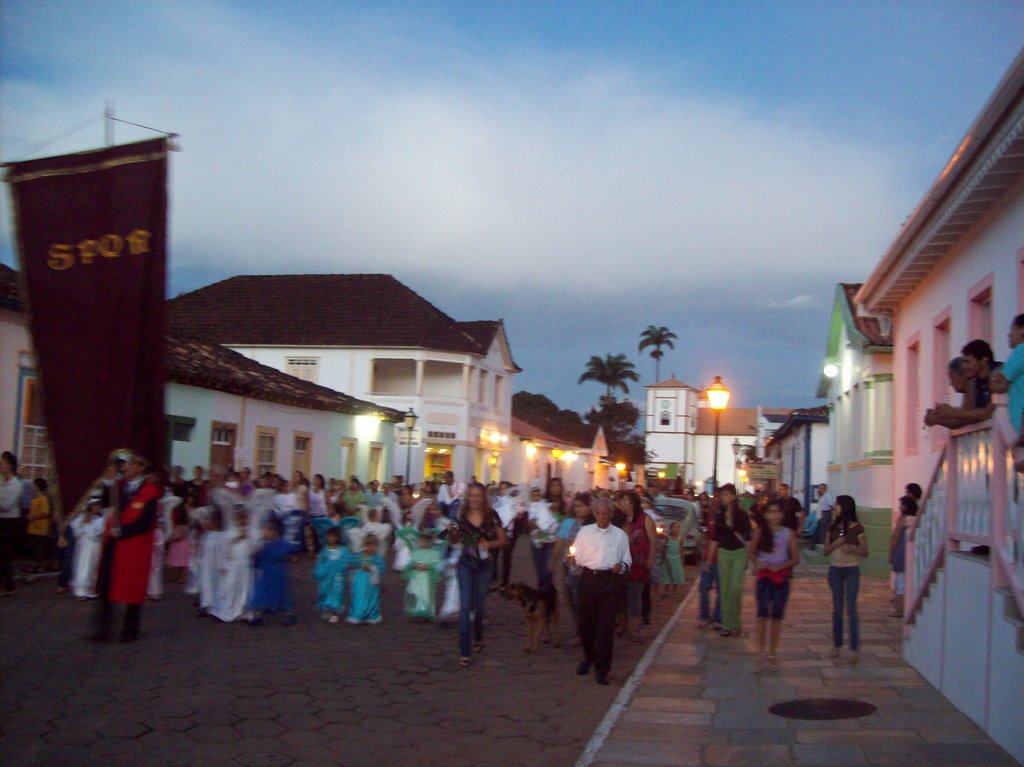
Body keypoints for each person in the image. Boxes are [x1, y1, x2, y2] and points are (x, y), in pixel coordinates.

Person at [92, 451, 163, 642]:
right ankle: (103, 627)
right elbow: (106, 503)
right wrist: (106, 484)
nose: (126, 467)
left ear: (140, 468)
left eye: (131, 464)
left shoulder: (150, 492)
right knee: (106, 584)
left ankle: (130, 629)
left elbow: (145, 522)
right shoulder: (119, 486)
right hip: (114, 544)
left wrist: (122, 531)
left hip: (135, 546)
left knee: (133, 586)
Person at [574, 496, 631, 686]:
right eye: (598, 513)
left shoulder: (620, 536)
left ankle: (603, 669)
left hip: (609, 581)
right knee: (585, 625)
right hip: (589, 579)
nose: (602, 517)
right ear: (594, 513)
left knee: (606, 628)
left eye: (606, 513)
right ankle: (589, 657)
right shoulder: (585, 532)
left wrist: (621, 566)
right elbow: (578, 557)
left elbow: (627, 560)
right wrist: (574, 562)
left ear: (611, 514)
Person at [449, 482, 507, 667]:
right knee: (465, 606)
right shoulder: (460, 514)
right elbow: (450, 538)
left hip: (485, 564)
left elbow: (503, 540)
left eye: (478, 496)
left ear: (483, 497)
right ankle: (464, 652)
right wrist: (451, 533)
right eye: (471, 495)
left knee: (479, 606)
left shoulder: (492, 516)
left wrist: (489, 544)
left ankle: (478, 635)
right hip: (466, 562)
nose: (474, 499)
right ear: (467, 497)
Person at [750, 499, 800, 671]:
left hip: (780, 578)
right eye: (771, 511)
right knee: (761, 615)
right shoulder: (760, 532)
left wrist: (781, 566)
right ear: (765, 514)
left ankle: (772, 653)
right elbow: (752, 551)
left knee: (777, 617)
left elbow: (795, 558)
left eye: (777, 511)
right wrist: (757, 564)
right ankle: (759, 653)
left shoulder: (788, 533)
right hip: (764, 578)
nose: (774, 515)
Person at [825, 494, 869, 661]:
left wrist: (852, 549)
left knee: (851, 608)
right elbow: (825, 551)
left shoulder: (857, 528)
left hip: (851, 569)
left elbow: (865, 552)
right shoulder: (832, 526)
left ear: (845, 506)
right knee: (837, 609)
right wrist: (837, 543)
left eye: (837, 504)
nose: (834, 507)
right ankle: (837, 644)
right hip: (835, 570)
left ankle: (854, 648)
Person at [705, 484, 751, 638]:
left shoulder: (742, 515)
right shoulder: (720, 514)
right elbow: (715, 538)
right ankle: (727, 624)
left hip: (738, 553)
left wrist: (748, 558)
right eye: (721, 494)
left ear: (732, 496)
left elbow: (747, 537)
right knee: (724, 589)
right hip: (723, 553)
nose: (722, 497)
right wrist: (709, 560)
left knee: (735, 589)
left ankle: (736, 622)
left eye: (725, 494)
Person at [249, 518, 299, 626]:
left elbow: (291, 555)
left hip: (278, 574)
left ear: (274, 531)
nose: (264, 533)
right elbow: (258, 560)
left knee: (281, 594)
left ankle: (289, 614)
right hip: (266, 574)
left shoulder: (282, 545)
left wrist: (289, 557)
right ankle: (258, 614)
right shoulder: (264, 546)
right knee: (261, 593)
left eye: (267, 530)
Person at [621, 493, 656, 642]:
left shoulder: (645, 519)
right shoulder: (621, 520)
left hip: (638, 562)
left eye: (625, 501)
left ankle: (635, 625)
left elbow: (653, 541)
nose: (622, 504)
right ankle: (625, 623)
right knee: (623, 595)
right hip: (623, 562)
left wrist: (650, 559)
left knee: (635, 594)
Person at [888, 495, 917, 619]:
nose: (899, 506)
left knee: (900, 582)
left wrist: (890, 551)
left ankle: (899, 608)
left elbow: (895, 536)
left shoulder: (903, 519)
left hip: (901, 550)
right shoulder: (917, 518)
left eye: (901, 504)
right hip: (912, 552)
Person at [402, 531, 443, 621]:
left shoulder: (433, 553)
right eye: (421, 541)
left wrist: (428, 567)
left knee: (426, 595)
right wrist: (414, 566)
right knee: (416, 593)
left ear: (430, 542)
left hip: (427, 578)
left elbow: (437, 564)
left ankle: (426, 612)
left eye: (425, 541)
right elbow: (411, 562)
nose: (423, 543)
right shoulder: (416, 552)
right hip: (416, 578)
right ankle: (416, 610)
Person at [70, 496, 105, 600]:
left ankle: (91, 590)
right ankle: (81, 591)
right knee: (83, 565)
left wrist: (89, 524)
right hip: (83, 545)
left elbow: (96, 532)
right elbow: (76, 530)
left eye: (99, 505)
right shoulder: (82, 517)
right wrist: (84, 522)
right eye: (96, 505)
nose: (98, 507)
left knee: (93, 566)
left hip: (94, 545)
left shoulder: (101, 519)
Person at [347, 533, 385, 625]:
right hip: (360, 578)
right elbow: (351, 561)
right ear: (364, 545)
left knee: (371, 597)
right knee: (358, 596)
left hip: (371, 580)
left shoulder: (376, 558)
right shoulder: (359, 555)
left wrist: (372, 568)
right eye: (369, 545)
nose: (372, 548)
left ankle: (371, 615)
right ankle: (358, 615)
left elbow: (382, 567)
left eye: (374, 546)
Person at [314, 527, 349, 623]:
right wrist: (320, 571)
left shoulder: (342, 550)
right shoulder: (324, 551)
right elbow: (320, 562)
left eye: (334, 536)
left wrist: (341, 568)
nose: (332, 538)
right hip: (326, 577)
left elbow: (346, 561)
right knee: (325, 592)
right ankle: (327, 610)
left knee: (337, 593)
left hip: (337, 578)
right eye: (330, 536)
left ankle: (335, 612)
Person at [528, 486, 559, 592]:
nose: (536, 498)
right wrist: (534, 524)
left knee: (548, 569)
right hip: (538, 533)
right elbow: (531, 520)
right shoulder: (532, 506)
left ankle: (548, 590)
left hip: (549, 538)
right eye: (533, 496)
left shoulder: (544, 503)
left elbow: (549, 509)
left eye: (537, 495)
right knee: (540, 569)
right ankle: (542, 590)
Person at [0, 452, 22, 595]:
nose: (0, 466)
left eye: (2, 463)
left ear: (10, 465)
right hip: (1, 519)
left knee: (5, 553)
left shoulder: (16, 485)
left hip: (10, 521)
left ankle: (8, 585)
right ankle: (7, 583)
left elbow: (7, 505)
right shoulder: (1, 481)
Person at [697, 502, 722, 629]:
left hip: (720, 558)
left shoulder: (722, 518)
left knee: (720, 590)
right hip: (709, 557)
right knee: (703, 587)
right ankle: (705, 616)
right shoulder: (709, 517)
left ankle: (717, 618)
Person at [26, 477, 51, 573]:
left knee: (38, 548)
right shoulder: (34, 498)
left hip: (40, 529)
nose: (32, 486)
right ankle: (32, 564)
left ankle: (38, 565)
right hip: (32, 527)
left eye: (34, 485)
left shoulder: (43, 499)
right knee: (32, 548)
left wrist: (33, 516)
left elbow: (45, 512)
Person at [659, 521, 686, 597]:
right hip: (668, 558)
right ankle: (666, 591)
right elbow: (665, 548)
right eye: (674, 527)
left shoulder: (680, 539)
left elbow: (681, 549)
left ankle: (674, 591)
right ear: (670, 529)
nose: (676, 529)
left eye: (677, 527)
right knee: (667, 575)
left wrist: (682, 559)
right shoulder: (668, 538)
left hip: (676, 559)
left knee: (676, 575)